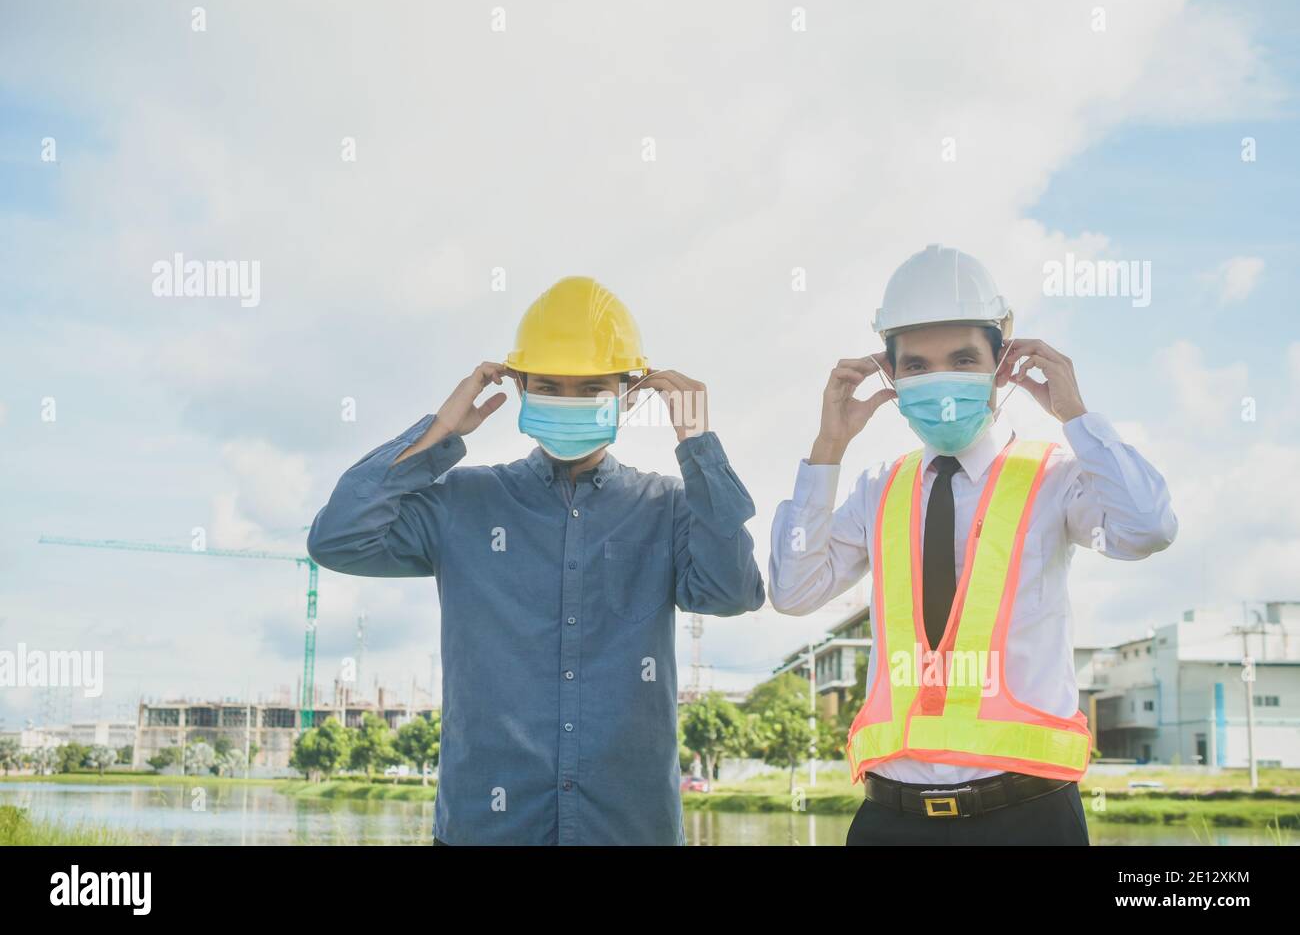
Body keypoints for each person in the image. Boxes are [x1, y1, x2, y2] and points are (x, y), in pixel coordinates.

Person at [307, 275, 765, 845]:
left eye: (591, 388)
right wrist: (440, 431)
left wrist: (697, 443)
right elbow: (338, 539)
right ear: (519, 386)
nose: (568, 402)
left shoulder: (668, 506)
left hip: (627, 830)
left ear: (627, 392)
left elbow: (731, 592)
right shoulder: (463, 504)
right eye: (549, 385)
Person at [768, 244, 1177, 845]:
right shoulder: (878, 486)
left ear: (1001, 361)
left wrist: (1076, 415)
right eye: (918, 365)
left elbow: (1148, 528)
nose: (941, 380)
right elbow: (793, 591)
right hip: (890, 821)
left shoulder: (1056, 476)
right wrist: (828, 447)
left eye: (962, 358)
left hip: (1028, 817)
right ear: (892, 375)